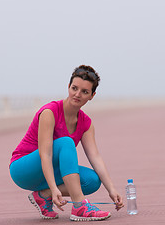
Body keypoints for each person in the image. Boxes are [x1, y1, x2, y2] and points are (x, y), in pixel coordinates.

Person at [9, 65, 124, 221]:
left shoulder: (86, 123)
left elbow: (95, 157)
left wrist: (111, 189)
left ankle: (43, 195)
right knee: (65, 142)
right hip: (23, 169)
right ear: (68, 87)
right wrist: (54, 186)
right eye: (74, 88)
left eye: (84, 92)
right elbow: (46, 153)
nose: (77, 94)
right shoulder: (50, 112)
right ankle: (79, 207)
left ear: (92, 95)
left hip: (50, 170)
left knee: (92, 180)